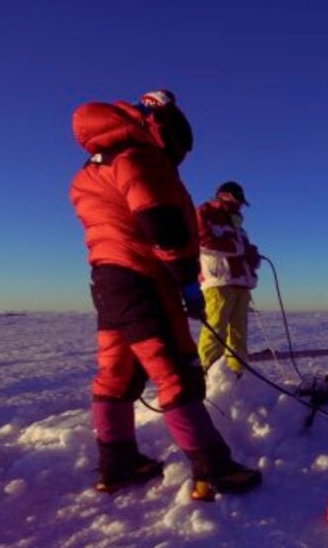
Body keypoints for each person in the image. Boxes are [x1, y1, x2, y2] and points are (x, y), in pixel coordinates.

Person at [70, 89, 261, 501]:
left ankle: (117, 463)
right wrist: (184, 279)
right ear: (163, 129)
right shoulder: (139, 157)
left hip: (108, 282)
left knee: (117, 371)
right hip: (143, 279)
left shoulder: (91, 170)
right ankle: (213, 468)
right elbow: (160, 221)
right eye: (179, 145)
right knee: (176, 368)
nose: (180, 157)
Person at [196, 181, 261, 376]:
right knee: (215, 331)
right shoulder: (204, 213)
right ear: (223, 195)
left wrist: (252, 256)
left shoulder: (237, 224)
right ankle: (207, 376)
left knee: (239, 334)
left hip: (241, 282)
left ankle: (237, 376)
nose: (240, 205)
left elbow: (244, 248)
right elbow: (201, 241)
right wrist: (238, 248)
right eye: (237, 200)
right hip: (219, 282)